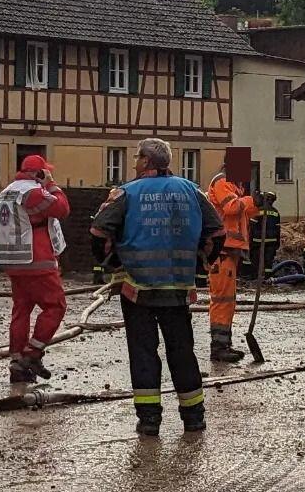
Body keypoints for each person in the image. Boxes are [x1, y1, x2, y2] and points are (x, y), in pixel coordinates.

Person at [91, 137, 225, 437]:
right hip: (178, 289)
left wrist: (111, 264)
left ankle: (149, 419)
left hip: (136, 289)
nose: (134, 161)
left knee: (143, 353)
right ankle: (194, 417)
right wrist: (201, 263)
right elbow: (217, 232)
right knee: (182, 351)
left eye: (137, 157)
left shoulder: (127, 192)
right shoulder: (192, 191)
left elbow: (99, 232)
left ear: (147, 162)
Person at [0, 153, 71, 393]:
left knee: (21, 309)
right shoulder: (32, 192)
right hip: (36, 258)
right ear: (38, 173)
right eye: (44, 172)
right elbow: (62, 208)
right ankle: (32, 353)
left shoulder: (8, 190)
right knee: (56, 305)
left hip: (14, 260)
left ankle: (17, 363)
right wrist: (51, 184)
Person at [205, 166, 260, 362]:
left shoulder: (234, 188)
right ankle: (219, 346)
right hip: (222, 251)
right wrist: (252, 201)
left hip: (229, 251)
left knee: (227, 300)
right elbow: (232, 208)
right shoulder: (221, 182)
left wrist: (258, 204)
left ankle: (223, 344)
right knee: (222, 300)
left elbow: (243, 213)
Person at [248, 190, 281, 279]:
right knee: (268, 262)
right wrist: (278, 242)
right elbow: (278, 229)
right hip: (272, 241)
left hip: (257, 241)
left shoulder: (257, 211)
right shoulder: (276, 212)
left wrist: (250, 242)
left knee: (255, 260)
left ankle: (254, 277)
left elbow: (252, 228)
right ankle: (268, 278)